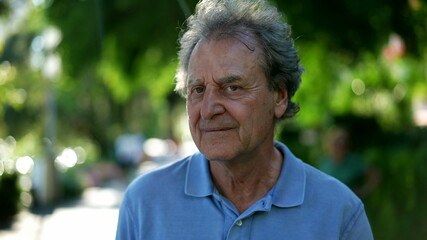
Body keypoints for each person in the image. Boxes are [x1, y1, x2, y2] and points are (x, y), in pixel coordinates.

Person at [116, 0, 374, 239]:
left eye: (232, 88)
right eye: (198, 90)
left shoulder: (339, 213)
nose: (208, 110)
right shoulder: (144, 204)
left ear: (279, 97)